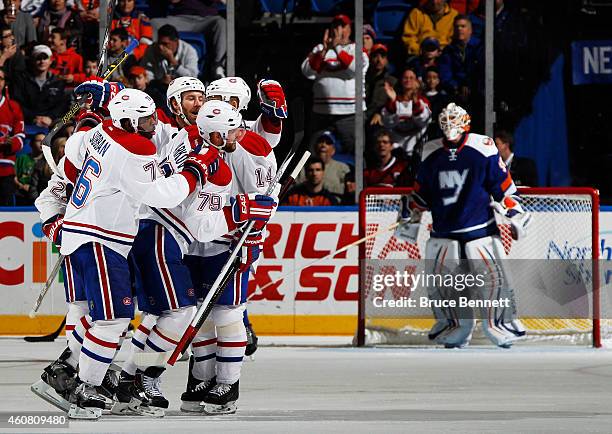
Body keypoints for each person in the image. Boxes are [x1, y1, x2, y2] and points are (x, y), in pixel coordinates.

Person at [30, 88, 224, 419]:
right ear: (129, 120)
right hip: (102, 238)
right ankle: (89, 385)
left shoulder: (93, 133)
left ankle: (79, 373)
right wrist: (196, 170)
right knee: (116, 318)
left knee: (105, 316)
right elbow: (162, 194)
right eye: (146, 118)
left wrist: (90, 115)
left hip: (95, 237)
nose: (152, 122)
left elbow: (71, 170)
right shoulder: (134, 147)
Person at [179, 77, 285, 413]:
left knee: (227, 314)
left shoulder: (250, 147)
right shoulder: (191, 139)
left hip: (229, 242)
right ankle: (202, 378)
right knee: (199, 315)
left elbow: (263, 201)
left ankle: (228, 383)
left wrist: (251, 226)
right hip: (193, 241)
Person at [396, 103, 530, 348]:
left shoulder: (483, 147)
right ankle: (454, 325)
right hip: (444, 231)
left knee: (492, 279)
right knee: (443, 283)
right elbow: (422, 193)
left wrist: (514, 212)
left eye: (455, 121)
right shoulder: (431, 151)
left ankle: (499, 323)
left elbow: (503, 186)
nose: (450, 127)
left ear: (466, 122)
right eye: (446, 121)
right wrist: (411, 213)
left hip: (479, 230)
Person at [301, 14, 369, 154]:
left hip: (349, 115)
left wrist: (337, 47)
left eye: (342, 26)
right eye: (335, 26)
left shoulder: (356, 49)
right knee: (314, 154)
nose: (338, 29)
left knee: (355, 154)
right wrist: (325, 50)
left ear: (350, 29)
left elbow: (354, 69)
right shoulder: (320, 48)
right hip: (321, 114)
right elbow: (308, 71)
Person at [150, 0, 227, 80]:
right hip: (181, 18)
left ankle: (218, 65)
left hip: (206, 18)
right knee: (154, 23)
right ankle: (153, 68)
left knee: (221, 23)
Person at [374, 68, 432, 156]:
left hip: (417, 151)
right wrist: (392, 102)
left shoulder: (423, 101)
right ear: (401, 81)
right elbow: (388, 123)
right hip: (396, 151)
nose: (408, 80)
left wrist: (416, 103)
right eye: (405, 77)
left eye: (411, 78)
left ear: (417, 81)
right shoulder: (392, 101)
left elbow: (423, 121)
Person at [438, 15, 483, 117]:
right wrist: (457, 87)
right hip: (455, 93)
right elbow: (445, 74)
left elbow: (481, 71)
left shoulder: (480, 48)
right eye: (457, 26)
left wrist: (470, 86)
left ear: (470, 30)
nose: (459, 29)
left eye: (463, 26)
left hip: (476, 92)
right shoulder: (448, 50)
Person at [12, 44, 67, 127]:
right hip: (26, 122)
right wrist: (33, 118)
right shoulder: (21, 80)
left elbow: (61, 105)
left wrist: (50, 118)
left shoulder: (58, 82)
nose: (42, 61)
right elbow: (17, 103)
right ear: (32, 60)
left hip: (51, 122)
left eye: (45, 58)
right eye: (38, 58)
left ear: (50, 60)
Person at [140, 24, 198, 92]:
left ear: (175, 41)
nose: (160, 47)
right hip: (158, 89)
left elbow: (193, 78)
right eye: (159, 43)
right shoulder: (152, 49)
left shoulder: (189, 51)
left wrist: (173, 62)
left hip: (183, 90)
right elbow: (145, 71)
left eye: (165, 44)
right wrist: (159, 81)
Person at [0, 65, 23, 206]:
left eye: (0, 78)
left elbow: (20, 138)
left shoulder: (13, 107)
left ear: (4, 83)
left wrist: (10, 143)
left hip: (5, 169)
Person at [365, 43, 396, 127]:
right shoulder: (362, 79)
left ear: (386, 60)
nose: (379, 60)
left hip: (381, 121)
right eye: (375, 56)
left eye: (382, 57)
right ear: (370, 59)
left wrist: (379, 113)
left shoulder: (392, 82)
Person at [14, 132, 44, 205]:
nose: (42, 143)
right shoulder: (22, 158)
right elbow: (13, 177)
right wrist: (22, 186)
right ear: (31, 144)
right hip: (22, 194)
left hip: (42, 197)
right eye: (39, 141)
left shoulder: (49, 161)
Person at [423, 66, 450, 140]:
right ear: (424, 79)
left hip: (437, 133)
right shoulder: (420, 98)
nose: (431, 80)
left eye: (434, 78)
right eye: (429, 77)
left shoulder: (444, 98)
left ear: (438, 80)